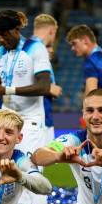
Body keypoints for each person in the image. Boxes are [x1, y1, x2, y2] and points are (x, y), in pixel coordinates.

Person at [0, 10, 54, 204]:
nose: (1, 39)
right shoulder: (0, 53)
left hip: (30, 121)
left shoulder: (35, 48)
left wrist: (6, 90)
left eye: (5, 34)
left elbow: (44, 86)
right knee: (3, 169)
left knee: (27, 170)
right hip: (6, 121)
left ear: (16, 30)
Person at [32, 14, 63, 148]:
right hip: (35, 119)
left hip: (44, 116)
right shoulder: (34, 49)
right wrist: (49, 88)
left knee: (40, 165)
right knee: (31, 165)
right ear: (52, 31)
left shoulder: (33, 49)